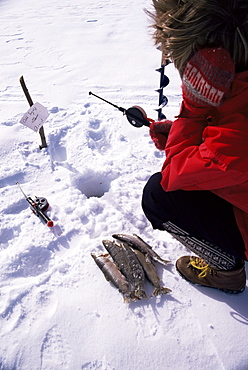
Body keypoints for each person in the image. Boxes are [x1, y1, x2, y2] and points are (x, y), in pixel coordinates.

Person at [142, 0, 248, 293]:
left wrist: (193, 110)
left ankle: (227, 271)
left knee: (158, 197)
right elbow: (227, 126)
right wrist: (183, 131)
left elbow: (174, 175)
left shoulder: (237, 139)